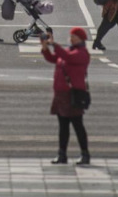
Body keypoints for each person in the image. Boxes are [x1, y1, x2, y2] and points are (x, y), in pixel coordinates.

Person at [40, 27, 91, 166]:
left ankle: (85, 154)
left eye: (75, 36)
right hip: (61, 94)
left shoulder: (82, 53)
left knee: (77, 125)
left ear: (82, 39)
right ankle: (62, 154)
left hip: (72, 94)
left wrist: (54, 44)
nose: (72, 38)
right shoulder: (69, 50)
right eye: (71, 36)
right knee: (63, 126)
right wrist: (45, 48)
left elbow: (67, 57)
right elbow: (53, 59)